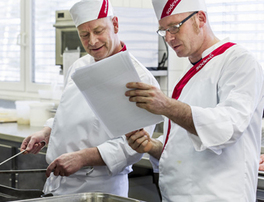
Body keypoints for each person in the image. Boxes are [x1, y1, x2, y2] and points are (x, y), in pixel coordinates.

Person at [125, 0, 264, 201]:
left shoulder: (238, 61)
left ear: (201, 19)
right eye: (163, 31)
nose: (169, 38)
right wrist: (152, 147)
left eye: (175, 27)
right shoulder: (191, 71)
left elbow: (228, 126)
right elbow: (183, 144)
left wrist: (166, 106)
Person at [20, 0, 160, 197]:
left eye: (99, 31)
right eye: (84, 35)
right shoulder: (79, 66)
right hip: (57, 185)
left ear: (116, 25)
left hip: (99, 188)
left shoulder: (140, 78)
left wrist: (83, 157)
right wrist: (46, 132)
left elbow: (133, 145)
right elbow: (66, 113)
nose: (92, 41)